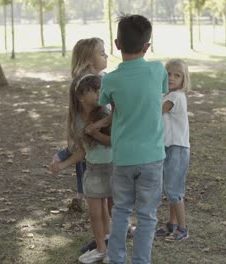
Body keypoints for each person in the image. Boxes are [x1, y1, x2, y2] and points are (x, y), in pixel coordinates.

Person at [98, 14, 168, 264]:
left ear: (117, 44)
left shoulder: (110, 79)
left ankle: (116, 259)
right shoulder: (158, 69)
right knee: (148, 215)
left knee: (120, 211)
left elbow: (105, 102)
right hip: (152, 157)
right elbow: (160, 92)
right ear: (147, 46)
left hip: (123, 157)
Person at [49, 74, 112, 264]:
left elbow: (113, 142)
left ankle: (110, 247)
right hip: (92, 169)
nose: (98, 94)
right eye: (94, 90)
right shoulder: (76, 120)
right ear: (81, 96)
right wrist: (61, 165)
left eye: (100, 89)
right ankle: (101, 249)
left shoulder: (105, 115)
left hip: (112, 168)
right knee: (95, 212)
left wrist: (95, 132)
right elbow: (81, 152)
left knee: (110, 210)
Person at [51, 37, 108, 212]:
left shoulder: (102, 77)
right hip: (93, 130)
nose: (106, 55)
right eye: (101, 52)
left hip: (101, 130)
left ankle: (110, 225)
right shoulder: (85, 82)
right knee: (91, 164)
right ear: (89, 60)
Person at [155, 59, 191, 242]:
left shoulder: (175, 97)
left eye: (177, 75)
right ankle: (171, 224)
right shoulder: (165, 94)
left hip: (177, 148)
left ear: (183, 79)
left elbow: (155, 112)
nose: (171, 78)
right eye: (168, 73)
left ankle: (183, 228)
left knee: (174, 188)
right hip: (167, 146)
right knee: (169, 187)